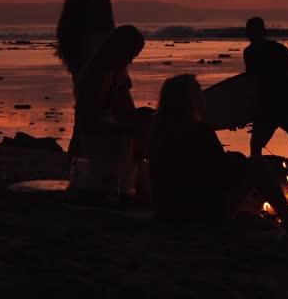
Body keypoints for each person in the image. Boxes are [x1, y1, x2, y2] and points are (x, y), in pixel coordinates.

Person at [149, 74, 259, 224]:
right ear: (191, 99)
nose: (203, 96)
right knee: (257, 164)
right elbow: (219, 171)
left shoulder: (157, 131)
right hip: (199, 211)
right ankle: (287, 218)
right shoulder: (199, 130)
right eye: (199, 92)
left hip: (166, 210)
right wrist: (238, 160)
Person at [67, 24, 144, 207]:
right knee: (133, 137)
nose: (131, 61)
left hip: (106, 131)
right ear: (119, 50)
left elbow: (126, 108)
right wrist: (127, 127)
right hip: (94, 137)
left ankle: (136, 186)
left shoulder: (118, 73)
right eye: (131, 55)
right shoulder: (97, 76)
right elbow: (89, 121)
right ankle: (127, 188)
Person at [243, 16, 288, 171]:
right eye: (250, 32)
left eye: (253, 32)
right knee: (259, 144)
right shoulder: (262, 51)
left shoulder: (260, 51)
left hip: (279, 104)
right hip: (275, 104)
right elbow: (251, 83)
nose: (252, 36)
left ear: (262, 32)